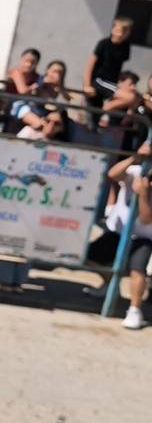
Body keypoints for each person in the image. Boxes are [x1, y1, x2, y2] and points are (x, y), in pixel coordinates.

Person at [84, 143, 152, 329]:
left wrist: (143, 194)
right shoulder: (136, 170)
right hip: (118, 230)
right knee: (88, 256)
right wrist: (135, 157)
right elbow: (112, 175)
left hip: (143, 237)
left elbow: (147, 219)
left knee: (137, 270)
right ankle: (108, 285)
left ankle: (135, 310)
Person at [83, 17, 133, 119]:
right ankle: (102, 111)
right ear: (112, 30)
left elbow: (117, 67)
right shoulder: (104, 43)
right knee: (130, 97)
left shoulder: (125, 47)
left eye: (123, 32)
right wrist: (87, 86)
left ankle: (100, 114)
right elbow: (90, 65)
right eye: (117, 30)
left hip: (111, 83)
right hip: (99, 81)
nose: (119, 34)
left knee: (136, 97)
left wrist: (124, 83)